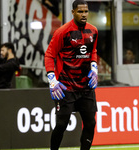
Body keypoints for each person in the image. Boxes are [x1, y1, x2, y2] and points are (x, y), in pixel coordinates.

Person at [45, 0, 98, 149]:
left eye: (86, 11)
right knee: (62, 124)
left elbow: (92, 51)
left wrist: (94, 68)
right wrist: (52, 80)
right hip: (65, 86)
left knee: (90, 123)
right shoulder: (62, 32)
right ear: (73, 12)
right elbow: (49, 55)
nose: (84, 14)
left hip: (86, 86)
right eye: (80, 11)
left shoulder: (93, 30)